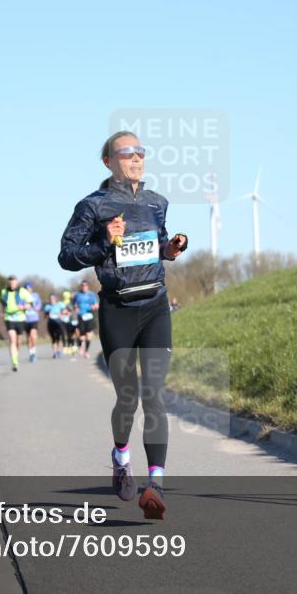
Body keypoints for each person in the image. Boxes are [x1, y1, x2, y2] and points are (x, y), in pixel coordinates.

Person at [58, 130, 188, 520]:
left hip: (155, 306)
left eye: (141, 153)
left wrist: (170, 249)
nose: (135, 158)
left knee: (154, 395)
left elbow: (158, 245)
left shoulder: (157, 202)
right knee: (128, 397)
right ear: (108, 162)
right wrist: (104, 243)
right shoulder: (91, 206)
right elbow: (67, 256)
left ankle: (156, 485)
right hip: (117, 308)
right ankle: (120, 456)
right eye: (126, 153)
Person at [0, 276, 28, 371]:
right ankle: (14, 361)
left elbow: (30, 303)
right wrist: (2, 312)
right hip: (9, 318)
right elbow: (3, 303)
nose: (12, 284)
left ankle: (16, 355)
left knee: (18, 341)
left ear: (17, 283)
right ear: (8, 283)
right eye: (10, 283)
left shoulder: (22, 291)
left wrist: (23, 306)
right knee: (12, 339)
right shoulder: (4, 292)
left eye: (13, 283)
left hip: (20, 318)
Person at [71, 280, 98, 358]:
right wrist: (75, 307)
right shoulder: (77, 295)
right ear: (81, 286)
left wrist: (93, 307)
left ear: (87, 286)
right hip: (80, 316)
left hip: (89, 316)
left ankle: (86, 351)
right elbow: (73, 304)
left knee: (89, 335)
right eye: (82, 285)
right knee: (81, 335)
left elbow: (96, 305)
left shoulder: (91, 295)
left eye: (85, 285)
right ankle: (80, 346)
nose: (84, 287)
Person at [22, 282, 43, 363]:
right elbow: (20, 306)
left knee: (33, 336)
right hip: (25, 319)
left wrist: (35, 307)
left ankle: (33, 353)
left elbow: (39, 305)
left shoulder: (35, 295)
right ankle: (31, 353)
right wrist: (24, 307)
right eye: (27, 288)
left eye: (29, 288)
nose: (28, 290)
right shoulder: (22, 297)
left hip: (34, 319)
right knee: (28, 338)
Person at [43, 293, 66, 359]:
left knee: (59, 337)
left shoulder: (60, 304)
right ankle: (54, 352)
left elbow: (65, 311)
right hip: (51, 323)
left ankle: (59, 351)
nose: (52, 300)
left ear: (55, 299)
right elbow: (44, 316)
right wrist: (48, 315)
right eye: (50, 299)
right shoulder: (47, 306)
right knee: (53, 338)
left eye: (53, 299)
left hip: (59, 323)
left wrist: (61, 314)